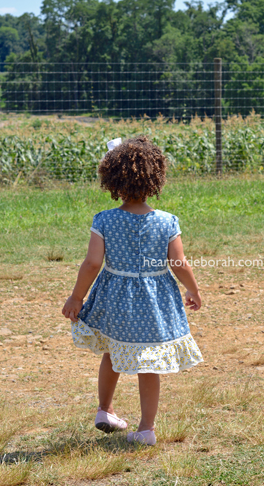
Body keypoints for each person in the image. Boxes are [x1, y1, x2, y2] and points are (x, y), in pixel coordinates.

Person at [62, 136, 203, 446]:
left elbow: (92, 264)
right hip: (154, 303)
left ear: (112, 179)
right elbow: (178, 262)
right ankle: (146, 429)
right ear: (156, 177)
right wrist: (192, 288)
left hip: (115, 299)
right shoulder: (167, 222)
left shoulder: (105, 220)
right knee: (148, 362)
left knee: (113, 350)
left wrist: (76, 297)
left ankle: (105, 410)